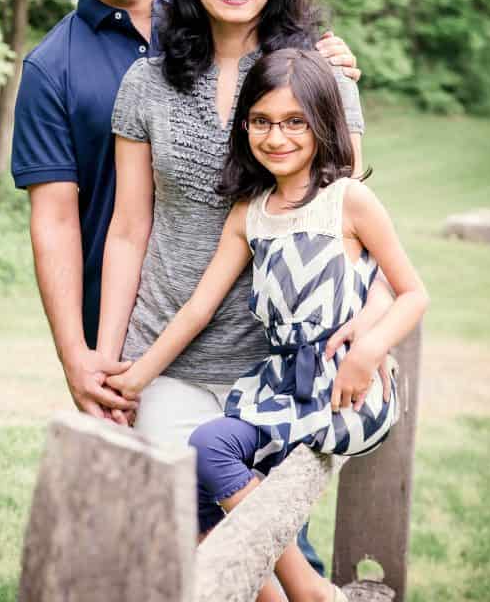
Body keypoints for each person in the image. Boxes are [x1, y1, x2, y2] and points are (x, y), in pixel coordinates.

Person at [97, 0, 395, 596]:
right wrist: (112, 362)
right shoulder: (145, 82)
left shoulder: (320, 80)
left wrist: (373, 334)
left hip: (279, 369)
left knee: (271, 533)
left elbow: (349, 230)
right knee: (178, 545)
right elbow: (128, 228)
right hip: (165, 351)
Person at [11, 0, 359, 430]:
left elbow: (347, 215)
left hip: (271, 347)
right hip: (141, 331)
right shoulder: (56, 68)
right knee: (156, 511)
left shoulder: (261, 29)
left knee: (264, 515)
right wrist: (86, 356)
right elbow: (66, 223)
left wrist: (328, 70)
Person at [107, 47, 429, 602]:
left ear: (322, 124)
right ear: (245, 128)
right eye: (261, 122)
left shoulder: (348, 201)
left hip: (345, 391)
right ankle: (300, 593)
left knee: (237, 483)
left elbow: (412, 293)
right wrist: (134, 379)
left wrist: (367, 349)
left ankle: (304, 593)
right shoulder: (250, 214)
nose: (276, 138)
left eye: (293, 122)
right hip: (282, 388)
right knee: (210, 451)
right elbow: (197, 309)